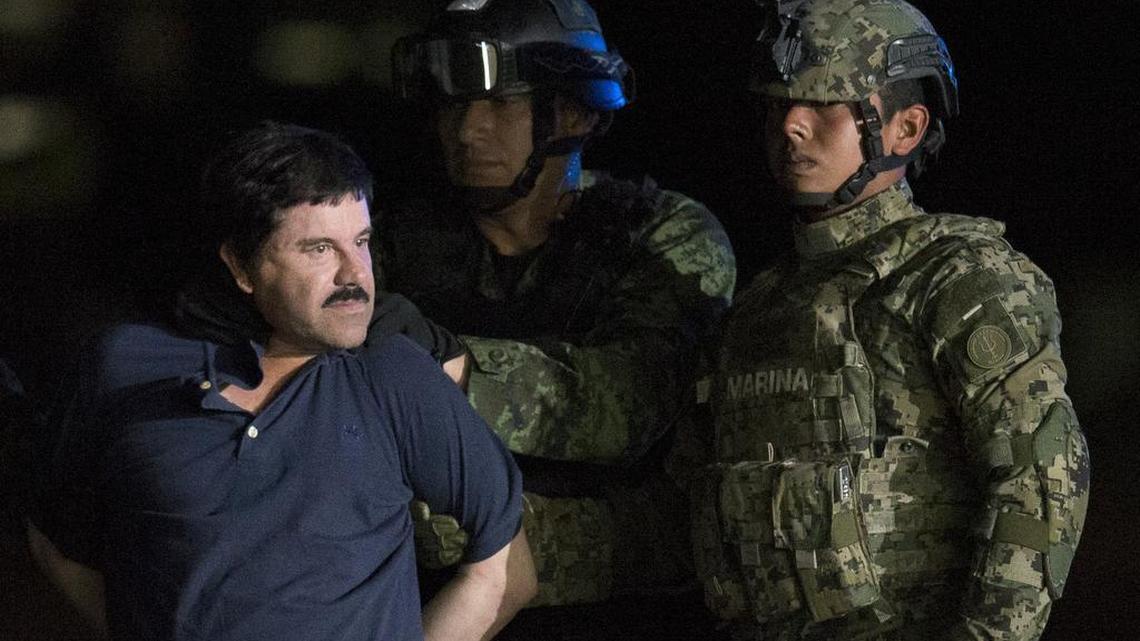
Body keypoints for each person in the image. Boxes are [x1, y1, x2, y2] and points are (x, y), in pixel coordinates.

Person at [25, 122, 536, 641]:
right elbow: (57, 545)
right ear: (241, 267)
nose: (355, 274)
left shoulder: (392, 374)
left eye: (360, 241)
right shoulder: (125, 366)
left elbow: (505, 573)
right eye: (318, 249)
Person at [681, 1, 1089, 639]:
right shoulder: (756, 312)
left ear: (904, 128)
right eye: (780, 104)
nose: (791, 123)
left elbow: (1041, 480)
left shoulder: (956, 277)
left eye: (825, 103)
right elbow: (691, 518)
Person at [387, 0, 736, 635]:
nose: (467, 131)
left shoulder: (661, 235)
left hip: (616, 600)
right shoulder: (401, 244)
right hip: (431, 593)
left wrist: (452, 368)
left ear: (571, 112)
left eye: (500, 104)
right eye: (453, 105)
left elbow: (632, 407)